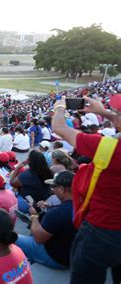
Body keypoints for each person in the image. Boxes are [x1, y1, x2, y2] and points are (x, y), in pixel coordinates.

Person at [52, 95, 121, 284]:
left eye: (117, 112)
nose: (114, 114)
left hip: (103, 230)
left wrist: (59, 107)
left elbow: (59, 128)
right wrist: (103, 112)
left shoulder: (109, 147)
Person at [16, 171, 76, 269]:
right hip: (75, 254)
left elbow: (38, 239)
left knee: (11, 238)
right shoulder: (83, 204)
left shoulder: (58, 213)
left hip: (59, 259)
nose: (52, 190)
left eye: (54, 187)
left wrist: (34, 216)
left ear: (61, 189)